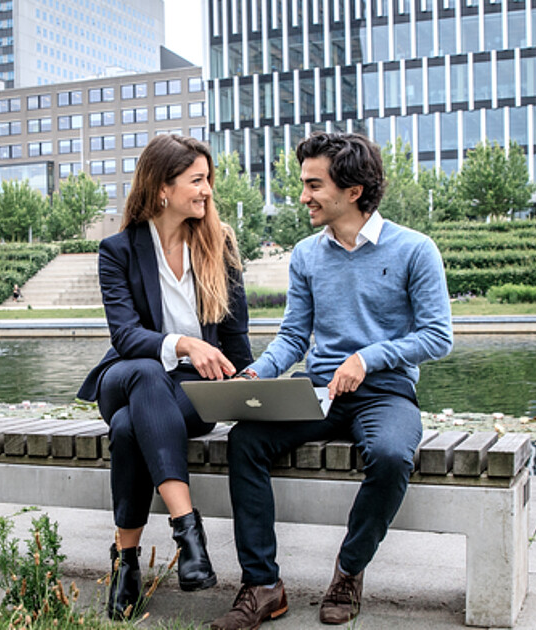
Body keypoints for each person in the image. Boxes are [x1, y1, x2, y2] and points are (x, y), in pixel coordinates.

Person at [210, 132, 453, 629]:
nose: (303, 197)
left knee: (389, 455)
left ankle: (348, 570)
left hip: (385, 393)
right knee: (246, 440)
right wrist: (258, 372)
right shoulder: (306, 255)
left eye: (313, 185)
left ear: (353, 191)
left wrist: (370, 357)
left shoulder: (415, 250)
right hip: (318, 393)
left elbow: (438, 336)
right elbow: (294, 335)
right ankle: (262, 585)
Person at [77, 133, 253, 620]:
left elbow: (235, 340)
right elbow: (126, 335)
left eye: (208, 180)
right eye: (197, 180)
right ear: (162, 189)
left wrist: (250, 383)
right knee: (145, 374)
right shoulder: (118, 250)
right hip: (125, 377)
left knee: (131, 428)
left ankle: (126, 563)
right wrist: (184, 343)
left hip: (191, 395)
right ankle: (186, 529)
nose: (207, 191)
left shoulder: (221, 244)